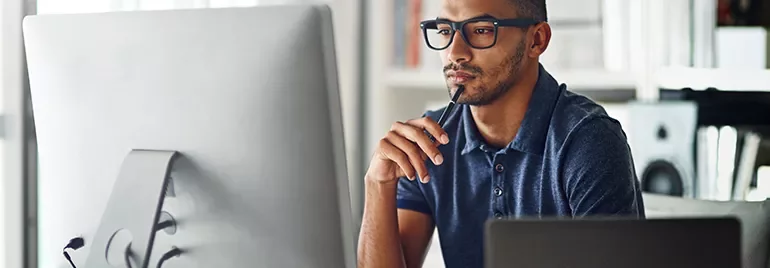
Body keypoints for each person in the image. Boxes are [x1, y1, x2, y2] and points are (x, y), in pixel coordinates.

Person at [357, 0, 646, 267]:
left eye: (481, 30)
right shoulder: (428, 142)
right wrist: (377, 183)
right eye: (445, 30)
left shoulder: (588, 141)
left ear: (537, 40)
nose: (455, 53)